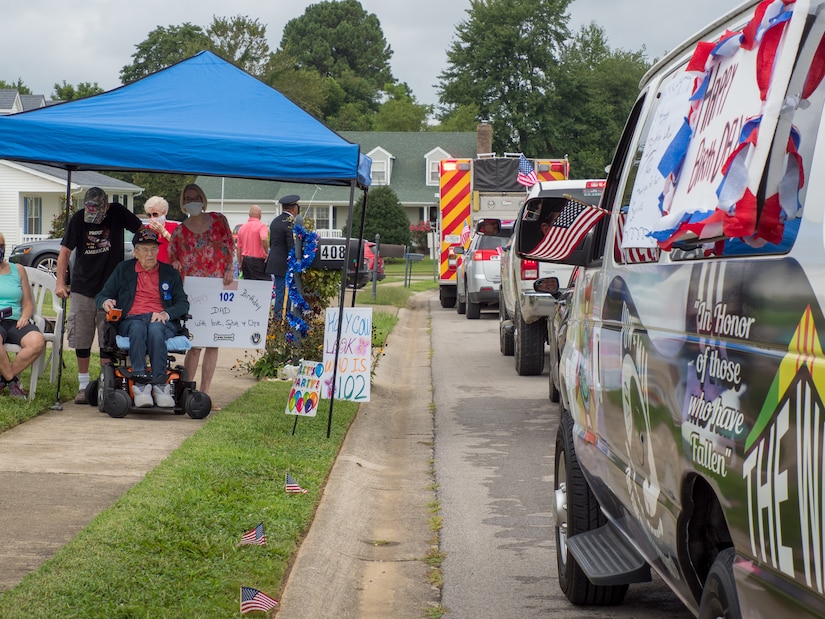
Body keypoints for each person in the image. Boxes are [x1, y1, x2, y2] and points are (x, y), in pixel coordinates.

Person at [56, 186, 142, 404]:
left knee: (108, 339)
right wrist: (60, 282)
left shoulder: (117, 212)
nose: (93, 214)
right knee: (82, 337)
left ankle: (106, 383)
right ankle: (83, 385)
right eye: (90, 209)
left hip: (110, 289)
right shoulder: (78, 219)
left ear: (106, 205)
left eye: (98, 209)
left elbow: (141, 230)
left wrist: (140, 253)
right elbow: (65, 252)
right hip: (82, 287)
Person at [96, 228, 189, 408]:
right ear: (136, 252)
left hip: (162, 321)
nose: (150, 254)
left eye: (153, 249)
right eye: (145, 250)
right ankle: (141, 385)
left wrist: (165, 314)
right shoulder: (123, 270)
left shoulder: (169, 273)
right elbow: (102, 295)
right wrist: (106, 302)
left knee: (155, 328)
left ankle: (161, 385)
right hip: (132, 320)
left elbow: (183, 303)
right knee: (138, 328)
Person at [168, 183, 234, 405]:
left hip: (217, 288)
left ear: (203, 199)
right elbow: (172, 258)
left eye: (196, 196)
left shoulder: (219, 221)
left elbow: (228, 247)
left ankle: (205, 393)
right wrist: (176, 262)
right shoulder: (179, 232)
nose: (192, 200)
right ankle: (186, 391)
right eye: (188, 197)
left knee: (213, 343)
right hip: (193, 294)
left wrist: (229, 269)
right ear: (183, 202)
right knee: (194, 345)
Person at [0, 233, 46, 398]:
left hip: (15, 320)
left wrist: (25, 316)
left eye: (1, 246)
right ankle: (12, 383)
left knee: (37, 342)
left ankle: (3, 380)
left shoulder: (17, 270)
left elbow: (27, 303)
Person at [265, 194, 299, 319]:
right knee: (286, 293)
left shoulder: (275, 221)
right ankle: (283, 318)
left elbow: (272, 242)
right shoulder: (289, 223)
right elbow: (291, 245)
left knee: (279, 291)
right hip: (285, 262)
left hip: (275, 260)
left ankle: (278, 317)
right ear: (293, 208)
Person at [236, 205, 270, 280]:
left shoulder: (242, 228)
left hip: (246, 261)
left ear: (249, 215)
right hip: (258, 261)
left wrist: (240, 263)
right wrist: (266, 253)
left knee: (249, 286)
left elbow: (239, 248)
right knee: (264, 284)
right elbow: (264, 239)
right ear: (260, 215)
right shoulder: (262, 226)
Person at [143, 196, 179, 263]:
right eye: (149, 215)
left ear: (164, 212)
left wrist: (163, 231)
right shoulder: (147, 229)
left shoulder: (174, 227)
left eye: (155, 214)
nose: (152, 218)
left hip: (171, 268)